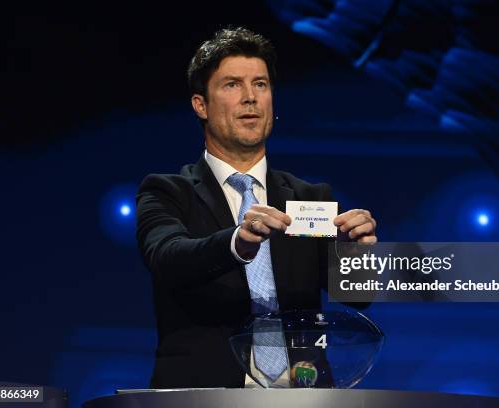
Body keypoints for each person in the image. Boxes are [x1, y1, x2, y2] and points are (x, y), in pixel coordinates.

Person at [136, 27, 377, 389]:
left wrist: (354, 256)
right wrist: (237, 243)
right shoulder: (168, 191)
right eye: (232, 84)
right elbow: (168, 258)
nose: (250, 97)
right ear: (200, 104)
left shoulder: (310, 198)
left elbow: (357, 296)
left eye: (260, 84)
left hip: (303, 392)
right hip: (204, 396)